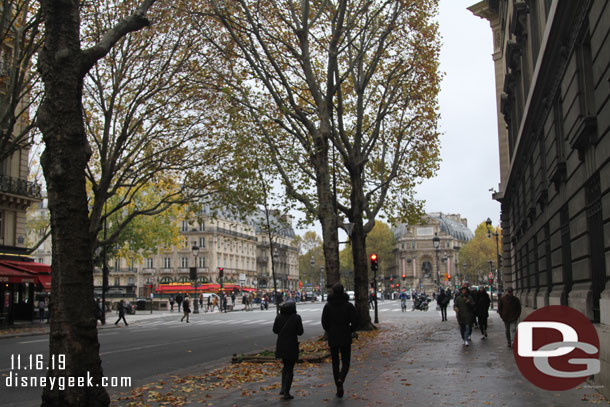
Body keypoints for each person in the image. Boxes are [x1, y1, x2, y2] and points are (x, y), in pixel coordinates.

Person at [321, 283, 357, 398]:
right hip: (345, 335)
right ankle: (342, 377)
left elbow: (324, 322)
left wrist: (330, 330)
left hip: (333, 336)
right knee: (346, 361)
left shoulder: (328, 306)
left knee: (335, 362)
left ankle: (338, 385)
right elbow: (355, 321)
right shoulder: (348, 305)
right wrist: (350, 330)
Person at [273, 301, 304, 400]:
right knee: (290, 368)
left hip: (281, 344)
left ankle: (282, 388)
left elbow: (275, 330)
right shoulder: (296, 317)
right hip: (292, 345)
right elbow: (300, 332)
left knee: (285, 366)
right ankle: (287, 392)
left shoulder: (278, 317)